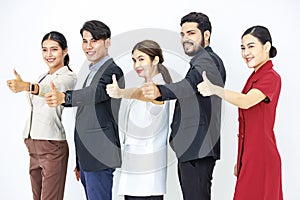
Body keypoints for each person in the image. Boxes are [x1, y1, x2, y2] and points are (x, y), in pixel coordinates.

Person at [141, 12, 226, 199]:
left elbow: (188, 86)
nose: (185, 39)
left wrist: (160, 91)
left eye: (191, 33)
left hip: (198, 148)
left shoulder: (208, 60)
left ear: (206, 35)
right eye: (182, 34)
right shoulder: (200, 62)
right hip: (194, 149)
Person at [198, 25, 283, 200]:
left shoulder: (271, 77)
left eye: (251, 46)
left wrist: (215, 89)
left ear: (266, 47)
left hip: (263, 157)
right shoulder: (254, 77)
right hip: (250, 156)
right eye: (243, 48)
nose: (246, 53)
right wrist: (242, 158)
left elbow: (245, 102)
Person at [45, 20, 125, 200]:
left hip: (100, 155)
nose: (88, 46)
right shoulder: (90, 72)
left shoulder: (112, 71)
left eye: (94, 40)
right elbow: (86, 116)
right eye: (85, 41)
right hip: (88, 157)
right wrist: (79, 161)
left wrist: (65, 97)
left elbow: (95, 93)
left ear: (107, 42)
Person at [6, 31, 77, 200]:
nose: (48, 54)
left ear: (65, 51)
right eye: (44, 50)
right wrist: (27, 86)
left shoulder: (68, 77)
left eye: (54, 49)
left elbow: (51, 89)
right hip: (33, 144)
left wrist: (28, 87)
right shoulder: (42, 76)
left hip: (52, 146)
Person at [106, 40, 173, 200]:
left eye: (141, 59)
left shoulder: (159, 87)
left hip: (147, 173)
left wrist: (121, 93)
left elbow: (148, 95)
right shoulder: (143, 86)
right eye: (134, 60)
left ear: (155, 60)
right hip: (134, 168)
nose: (136, 64)